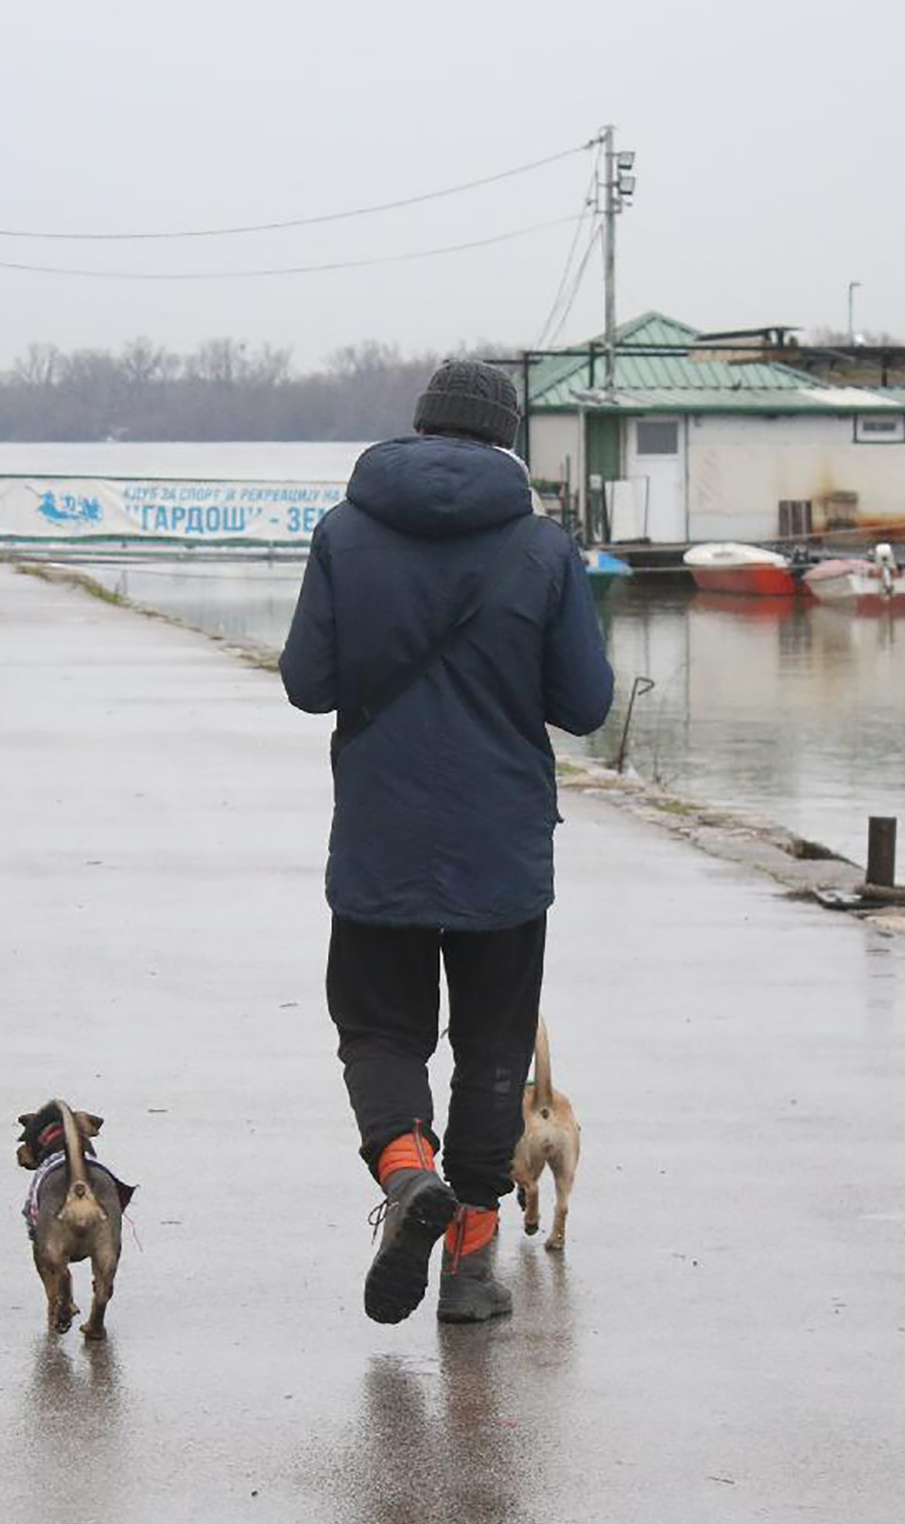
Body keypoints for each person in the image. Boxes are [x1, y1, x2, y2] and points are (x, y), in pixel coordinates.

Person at [279, 358, 614, 1327]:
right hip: (502, 845)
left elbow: (307, 681)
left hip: (381, 834)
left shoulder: (344, 532)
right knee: (492, 1049)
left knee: (379, 1032)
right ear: (505, 439)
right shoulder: (542, 550)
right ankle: (468, 1265)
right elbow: (586, 704)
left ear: (418, 430)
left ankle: (405, 1171)